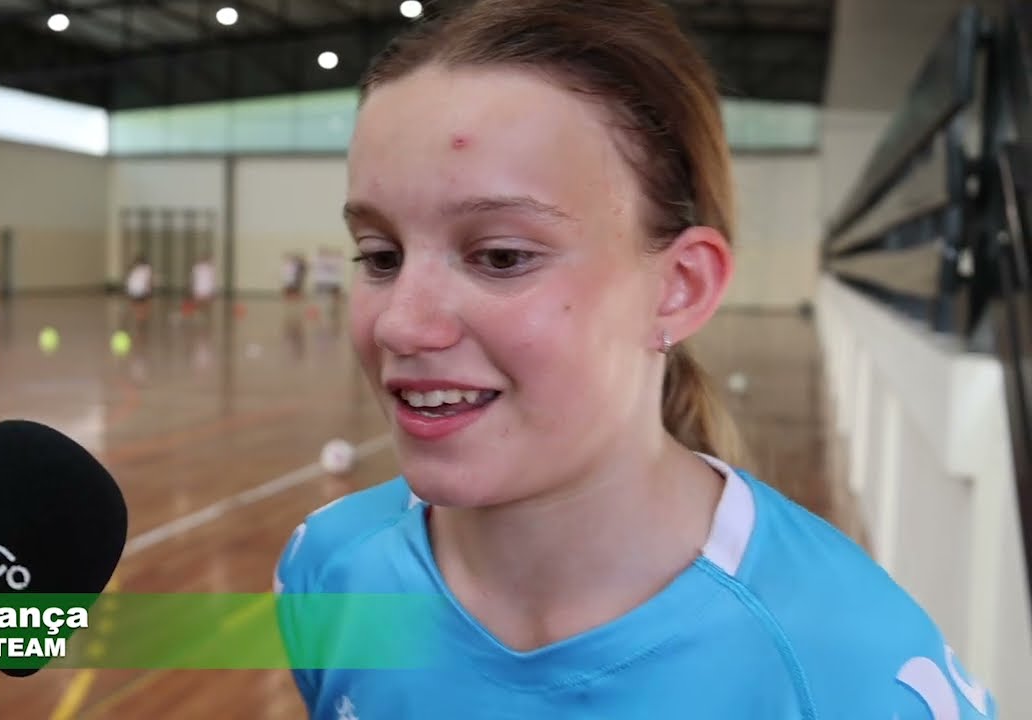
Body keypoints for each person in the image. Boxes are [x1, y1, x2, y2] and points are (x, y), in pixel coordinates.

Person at [272, 1, 998, 719]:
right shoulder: (332, 570)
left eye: (500, 256)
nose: (402, 323)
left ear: (680, 288)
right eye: (380, 256)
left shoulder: (848, 669)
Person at [125, 254, 154, 328]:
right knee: (144, 304)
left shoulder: (134, 268)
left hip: (131, 290)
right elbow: (148, 281)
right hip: (140, 289)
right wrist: (149, 290)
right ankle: (141, 318)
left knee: (137, 304)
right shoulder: (147, 268)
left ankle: (138, 316)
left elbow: (129, 280)